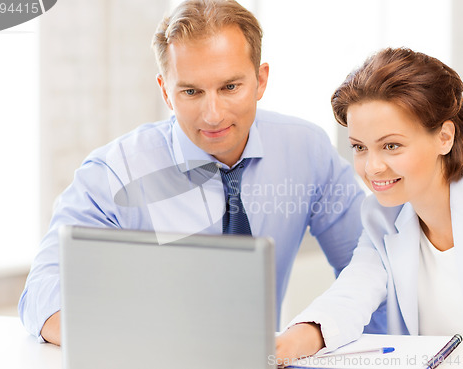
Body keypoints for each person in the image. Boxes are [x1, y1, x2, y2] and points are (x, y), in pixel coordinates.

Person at [19, 0, 368, 347]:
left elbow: (368, 266)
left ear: (260, 80)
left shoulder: (306, 150)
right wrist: (145, 344)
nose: (213, 115)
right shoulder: (114, 173)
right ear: (165, 92)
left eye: (230, 87)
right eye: (191, 91)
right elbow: (42, 294)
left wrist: (325, 332)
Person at [276, 47, 463, 364]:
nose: (372, 168)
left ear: (444, 137)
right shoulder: (381, 216)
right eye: (359, 147)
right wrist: (286, 345)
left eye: (391, 145)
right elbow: (351, 295)